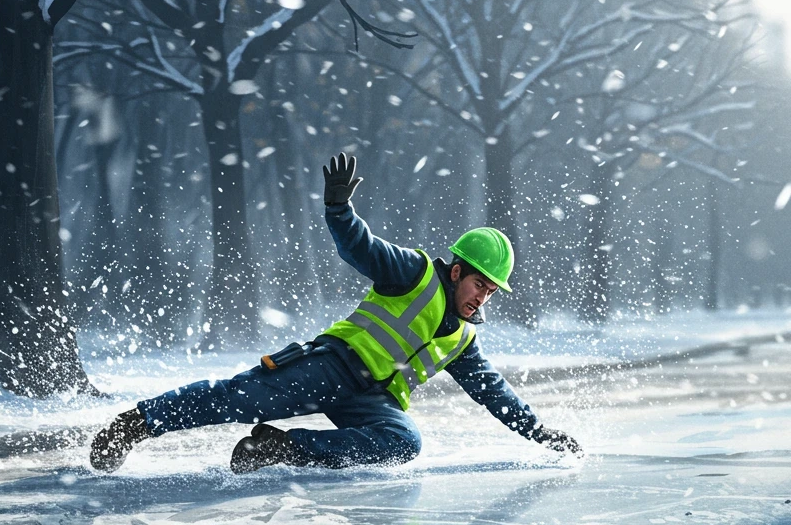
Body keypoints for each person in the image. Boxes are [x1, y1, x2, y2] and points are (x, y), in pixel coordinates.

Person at [89, 153, 582, 473]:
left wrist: (540, 433)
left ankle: (281, 448)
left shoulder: (464, 342)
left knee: (401, 442)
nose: (482, 298)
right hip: (330, 366)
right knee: (234, 398)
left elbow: (495, 394)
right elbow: (361, 248)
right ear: (457, 272)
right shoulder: (413, 273)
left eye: (492, 293)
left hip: (369, 399)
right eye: (480, 284)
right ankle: (134, 424)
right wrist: (340, 210)